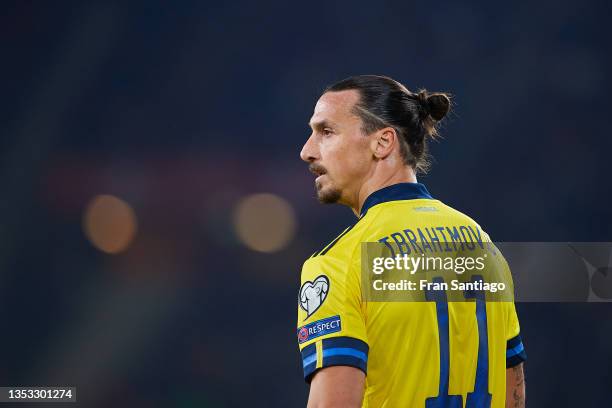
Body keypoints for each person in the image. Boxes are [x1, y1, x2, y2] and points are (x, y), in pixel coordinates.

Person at [296, 75, 526, 407]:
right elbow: (512, 394)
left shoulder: (338, 263)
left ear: (382, 142)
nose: (307, 151)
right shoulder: (483, 246)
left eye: (326, 132)